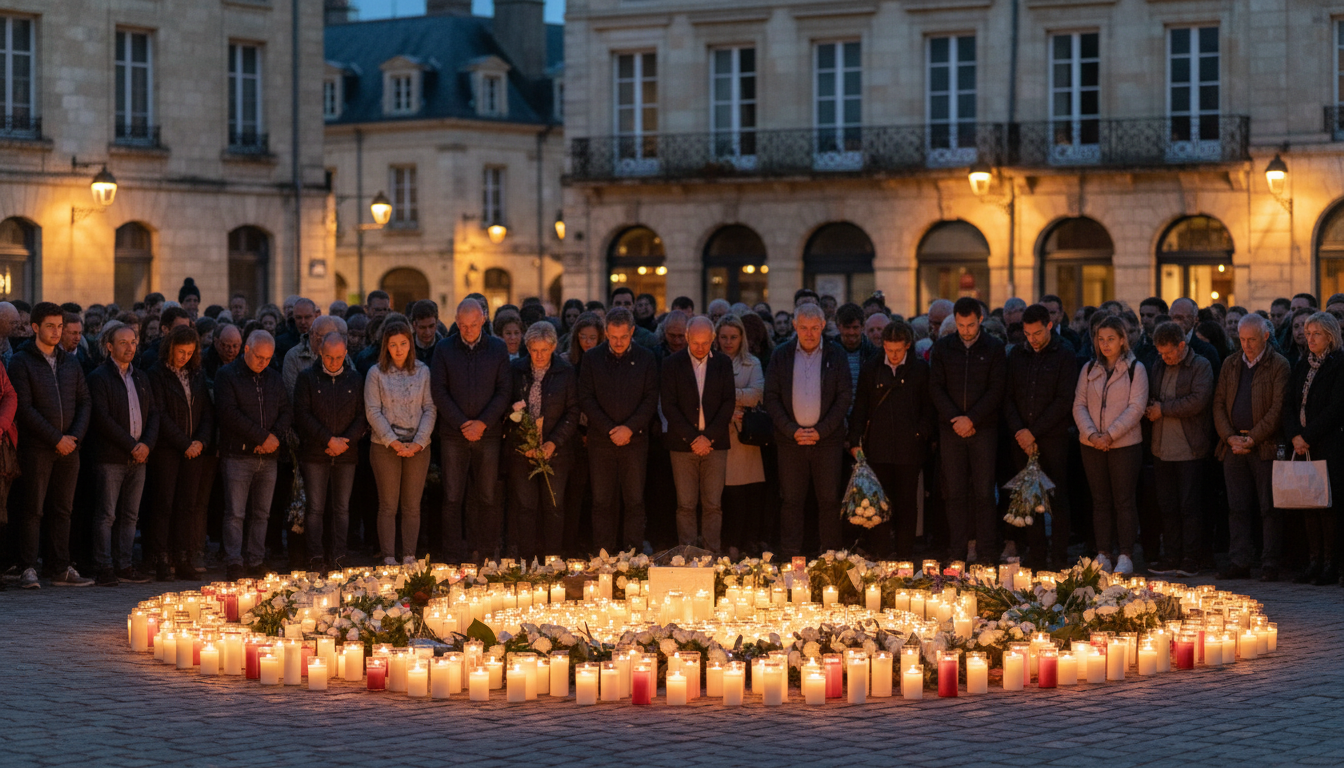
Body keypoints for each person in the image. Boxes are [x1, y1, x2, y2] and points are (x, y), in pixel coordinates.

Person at [10, 303, 94, 588]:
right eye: (50, 326)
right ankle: (28, 567)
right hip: (37, 448)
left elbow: (85, 401)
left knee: (63, 509)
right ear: (35, 327)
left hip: (70, 448)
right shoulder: (22, 361)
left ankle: (60, 567)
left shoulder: (71, 361)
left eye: (60, 326)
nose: (57, 332)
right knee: (33, 509)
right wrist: (55, 438)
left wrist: (73, 438)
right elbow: (24, 407)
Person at [763, 302, 852, 556]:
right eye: (804, 328)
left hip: (827, 441)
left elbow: (844, 396)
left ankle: (832, 556)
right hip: (791, 441)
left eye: (814, 328)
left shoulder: (836, 354)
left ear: (824, 325)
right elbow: (771, 397)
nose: (809, 333)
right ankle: (791, 556)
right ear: (794, 326)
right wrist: (791, 429)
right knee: (791, 501)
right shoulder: (781, 354)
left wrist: (822, 430)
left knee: (829, 501)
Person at [430, 298, 511, 561]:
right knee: (452, 497)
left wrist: (483, 422)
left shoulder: (498, 348)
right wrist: (462, 423)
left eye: (473, 325)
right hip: (454, 434)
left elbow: (504, 390)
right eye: (463, 325)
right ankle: (453, 554)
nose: (468, 330)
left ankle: (486, 551)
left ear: (483, 320)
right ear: (456, 321)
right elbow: (439, 391)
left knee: (487, 496)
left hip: (488, 434)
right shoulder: (444, 349)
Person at [928, 297, 1006, 565]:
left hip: (983, 429)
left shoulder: (994, 348)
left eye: (970, 324)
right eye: (961, 325)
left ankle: (986, 551)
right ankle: (957, 550)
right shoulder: (943, 348)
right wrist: (955, 419)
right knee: (955, 492)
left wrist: (971, 418)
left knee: (985, 492)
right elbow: (935, 387)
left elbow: (996, 389)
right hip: (951, 430)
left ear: (980, 319)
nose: (966, 330)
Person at [1212, 314, 1290, 581]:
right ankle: (1239, 561)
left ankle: (1270, 563)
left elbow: (1278, 408)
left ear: (1266, 336)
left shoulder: (1279, 365)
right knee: (1237, 507)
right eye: (1242, 339)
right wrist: (1230, 437)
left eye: (1252, 339)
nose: (1246, 345)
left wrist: (1252, 438)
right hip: (1233, 446)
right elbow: (1219, 403)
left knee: (1269, 507)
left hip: (1264, 446)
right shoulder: (1231, 364)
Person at [848, 319, 935, 559]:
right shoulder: (871, 368)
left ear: (907, 345)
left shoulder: (920, 371)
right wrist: (854, 441)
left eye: (898, 350)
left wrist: (921, 432)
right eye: (889, 349)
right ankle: (883, 552)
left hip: (910, 449)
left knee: (907, 504)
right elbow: (861, 407)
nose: (893, 355)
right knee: (879, 503)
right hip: (878, 448)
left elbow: (928, 408)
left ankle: (905, 554)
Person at [1004, 304, 1078, 570]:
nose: (1032, 339)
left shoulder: (1065, 353)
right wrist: (1021, 432)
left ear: (1049, 325)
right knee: (1029, 499)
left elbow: (1064, 399)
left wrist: (1034, 431)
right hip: (1022, 439)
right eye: (1027, 334)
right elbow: (1008, 396)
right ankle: (1036, 555)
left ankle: (1058, 557)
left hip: (1053, 437)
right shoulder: (1016, 355)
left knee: (1057, 498)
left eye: (1036, 333)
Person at [578, 307, 659, 552]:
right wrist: (610, 428)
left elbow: (650, 399)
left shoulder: (646, 358)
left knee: (634, 500)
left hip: (634, 441)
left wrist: (629, 429)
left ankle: (632, 554)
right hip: (601, 441)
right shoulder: (592, 358)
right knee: (602, 501)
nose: (618, 342)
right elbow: (586, 397)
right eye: (613, 337)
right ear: (606, 333)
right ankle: (604, 553)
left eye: (623, 337)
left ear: (632, 331)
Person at [85, 323, 158, 586]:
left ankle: (125, 564)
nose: (130, 347)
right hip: (111, 457)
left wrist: (147, 444)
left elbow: (153, 414)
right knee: (107, 514)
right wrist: (131, 445)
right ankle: (104, 565)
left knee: (130, 515)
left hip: (140, 457)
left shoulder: (140, 377)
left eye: (133, 342)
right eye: (124, 342)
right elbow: (102, 419)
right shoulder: (99, 377)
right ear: (109, 346)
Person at [1074, 315, 1148, 574]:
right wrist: (1093, 434)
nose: (1105, 345)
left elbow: (1136, 407)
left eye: (1111, 339)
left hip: (1125, 445)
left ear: (1122, 340)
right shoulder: (1088, 369)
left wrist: (1110, 434)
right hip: (1092, 445)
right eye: (1101, 339)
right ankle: (1103, 552)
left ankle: (1126, 553)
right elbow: (1079, 404)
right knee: (1100, 500)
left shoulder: (1135, 368)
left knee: (1124, 500)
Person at [215, 330, 291, 580]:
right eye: (259, 357)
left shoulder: (274, 378)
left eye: (268, 359)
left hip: (268, 456)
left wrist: (274, 437)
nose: (263, 363)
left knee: (262, 512)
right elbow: (229, 413)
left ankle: (256, 558)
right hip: (238, 454)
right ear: (246, 349)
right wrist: (262, 437)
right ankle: (234, 560)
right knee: (236, 512)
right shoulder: (227, 375)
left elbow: (285, 411)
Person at [1145, 321, 1216, 577]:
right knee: (1167, 505)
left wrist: (1163, 409)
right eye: (1160, 353)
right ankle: (1172, 555)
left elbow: (1198, 401)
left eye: (1169, 352)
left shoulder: (1200, 366)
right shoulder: (1158, 365)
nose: (1164, 357)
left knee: (1189, 506)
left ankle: (1191, 557)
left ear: (1182, 345)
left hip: (1189, 448)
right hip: (1161, 447)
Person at [661, 315, 735, 552]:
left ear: (713, 339)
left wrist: (708, 437)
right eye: (695, 343)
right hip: (683, 446)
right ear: (687, 338)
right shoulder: (672, 364)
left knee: (713, 504)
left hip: (715, 445)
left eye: (705, 343)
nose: (700, 348)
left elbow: (728, 402)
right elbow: (668, 405)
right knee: (685, 505)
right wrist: (693, 438)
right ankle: (687, 554)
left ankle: (711, 555)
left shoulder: (723, 363)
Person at [146, 326, 214, 581]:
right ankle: (162, 558)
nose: (184, 357)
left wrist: (201, 442)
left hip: (195, 451)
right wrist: (184, 442)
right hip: (167, 449)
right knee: (164, 504)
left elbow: (207, 411)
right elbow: (159, 414)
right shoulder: (157, 374)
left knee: (188, 505)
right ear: (170, 348)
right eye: (180, 351)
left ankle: (183, 557)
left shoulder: (196, 374)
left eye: (189, 352)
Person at [507, 322, 579, 560]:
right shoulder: (516, 370)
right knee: (526, 508)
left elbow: (572, 412)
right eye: (534, 350)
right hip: (523, 452)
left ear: (554, 347)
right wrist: (525, 444)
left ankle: (552, 559)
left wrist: (552, 443)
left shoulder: (565, 372)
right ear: (527, 348)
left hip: (555, 452)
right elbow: (508, 408)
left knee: (554, 507)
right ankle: (527, 561)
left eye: (544, 350)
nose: (539, 356)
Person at [295, 331, 367, 570]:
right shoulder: (307, 378)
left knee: (342, 508)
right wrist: (328, 440)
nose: (333, 362)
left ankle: (339, 555)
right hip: (316, 452)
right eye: (328, 357)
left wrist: (345, 441)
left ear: (345, 354)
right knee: (315, 507)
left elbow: (362, 416)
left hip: (346, 453)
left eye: (338, 357)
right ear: (320, 353)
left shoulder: (355, 379)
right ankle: (315, 556)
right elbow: (302, 415)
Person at [365, 320, 435, 564]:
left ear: (410, 344)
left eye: (403, 343)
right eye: (393, 344)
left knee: (412, 506)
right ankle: (388, 559)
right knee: (388, 505)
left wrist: (418, 442)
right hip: (385, 445)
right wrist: (393, 442)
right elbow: (373, 411)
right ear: (385, 346)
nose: (398, 349)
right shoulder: (376, 374)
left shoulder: (423, 371)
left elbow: (429, 408)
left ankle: (408, 557)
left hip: (418, 445)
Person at [1283, 312, 1344, 585]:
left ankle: (1330, 564)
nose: (1309, 338)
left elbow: (1336, 407)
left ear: (1330, 336)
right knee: (1308, 502)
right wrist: (1294, 434)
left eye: (1316, 334)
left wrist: (1308, 435)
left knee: (1327, 506)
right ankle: (1313, 561)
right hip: (1302, 445)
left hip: (1328, 444)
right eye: (1307, 333)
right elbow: (1289, 404)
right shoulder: (1302, 365)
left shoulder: (1339, 364)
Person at [716, 314, 765, 557]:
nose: (728, 341)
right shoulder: (711, 360)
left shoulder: (752, 363)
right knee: (720, 496)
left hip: (744, 438)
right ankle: (725, 543)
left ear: (741, 338)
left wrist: (724, 397)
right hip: (717, 434)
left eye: (733, 337)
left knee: (745, 496)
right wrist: (731, 403)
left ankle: (743, 544)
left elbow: (756, 394)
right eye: (723, 337)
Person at [282, 314, 341, 396]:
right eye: (321, 336)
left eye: (330, 336)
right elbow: (292, 393)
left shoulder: (339, 353)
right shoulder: (294, 356)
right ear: (312, 334)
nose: (326, 341)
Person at [835, 303, 878, 399]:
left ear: (862, 326)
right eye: (847, 327)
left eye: (855, 327)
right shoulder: (829, 353)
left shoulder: (873, 353)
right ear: (839, 327)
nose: (851, 332)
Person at [410, 300, 443, 366]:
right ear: (414, 326)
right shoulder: (406, 348)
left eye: (431, 326)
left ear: (436, 324)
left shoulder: (444, 349)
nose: (427, 332)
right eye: (422, 327)